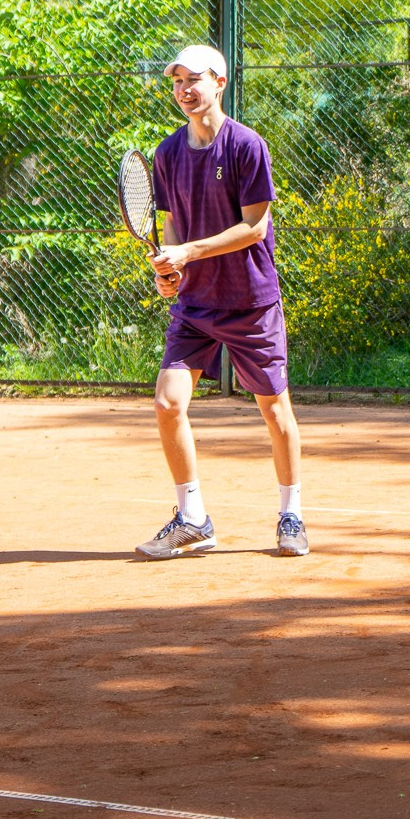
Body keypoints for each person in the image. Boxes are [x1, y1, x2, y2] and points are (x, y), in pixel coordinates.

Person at [134, 44, 307, 559]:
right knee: (167, 403)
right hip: (195, 305)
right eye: (177, 81)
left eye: (195, 79)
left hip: (251, 302)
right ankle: (191, 518)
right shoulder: (166, 155)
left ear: (221, 82)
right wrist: (171, 271)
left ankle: (291, 513)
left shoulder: (247, 146)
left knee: (275, 412)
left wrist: (188, 250)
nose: (185, 90)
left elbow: (255, 228)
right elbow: (172, 227)